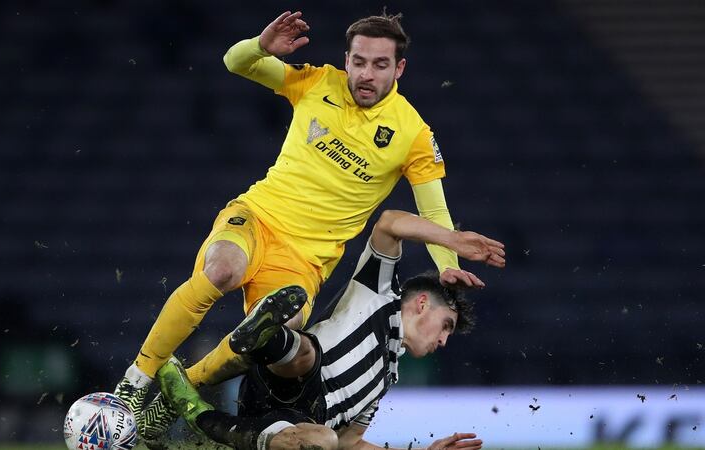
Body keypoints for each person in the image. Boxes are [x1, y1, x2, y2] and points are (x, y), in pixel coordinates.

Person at [116, 10, 488, 441]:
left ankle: (181, 391)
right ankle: (134, 385)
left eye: (380, 64)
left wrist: (446, 264)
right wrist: (259, 47)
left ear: (399, 68)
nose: (367, 74)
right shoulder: (316, 82)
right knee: (221, 270)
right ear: (346, 60)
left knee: (274, 338)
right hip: (258, 217)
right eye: (360, 62)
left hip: (306, 261)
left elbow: (435, 212)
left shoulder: (413, 134)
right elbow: (235, 63)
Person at [155, 210, 504, 450]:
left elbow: (351, 442)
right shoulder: (381, 293)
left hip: (288, 421)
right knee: (307, 355)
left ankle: (200, 412)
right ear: (423, 303)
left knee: (326, 441)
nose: (444, 340)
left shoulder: (386, 379)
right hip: (290, 371)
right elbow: (389, 222)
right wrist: (451, 240)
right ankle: (266, 335)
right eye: (446, 325)